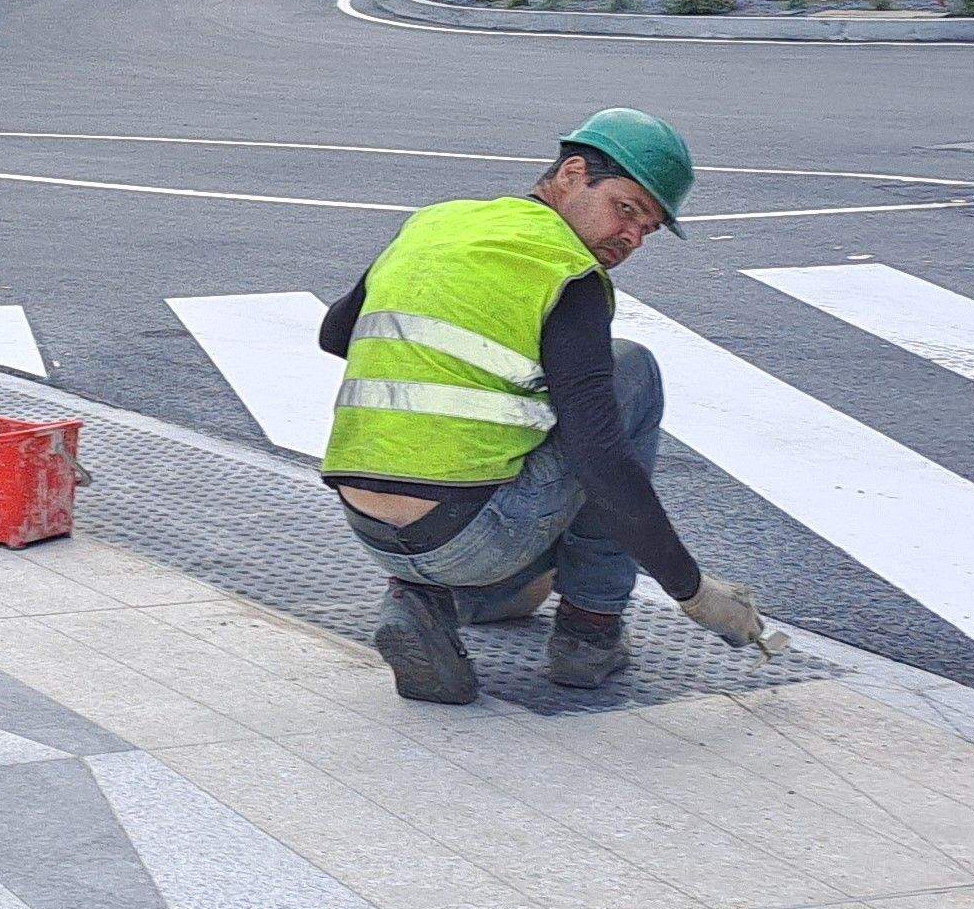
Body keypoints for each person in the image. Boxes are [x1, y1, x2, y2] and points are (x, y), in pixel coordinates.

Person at [316, 109, 776, 701]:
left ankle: (423, 601)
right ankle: (591, 633)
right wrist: (692, 590)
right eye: (626, 209)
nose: (630, 237)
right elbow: (603, 466)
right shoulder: (567, 273)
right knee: (631, 368)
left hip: (369, 529)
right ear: (571, 173)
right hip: (473, 537)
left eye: (648, 230)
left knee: (537, 428)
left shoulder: (436, 223)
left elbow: (335, 334)